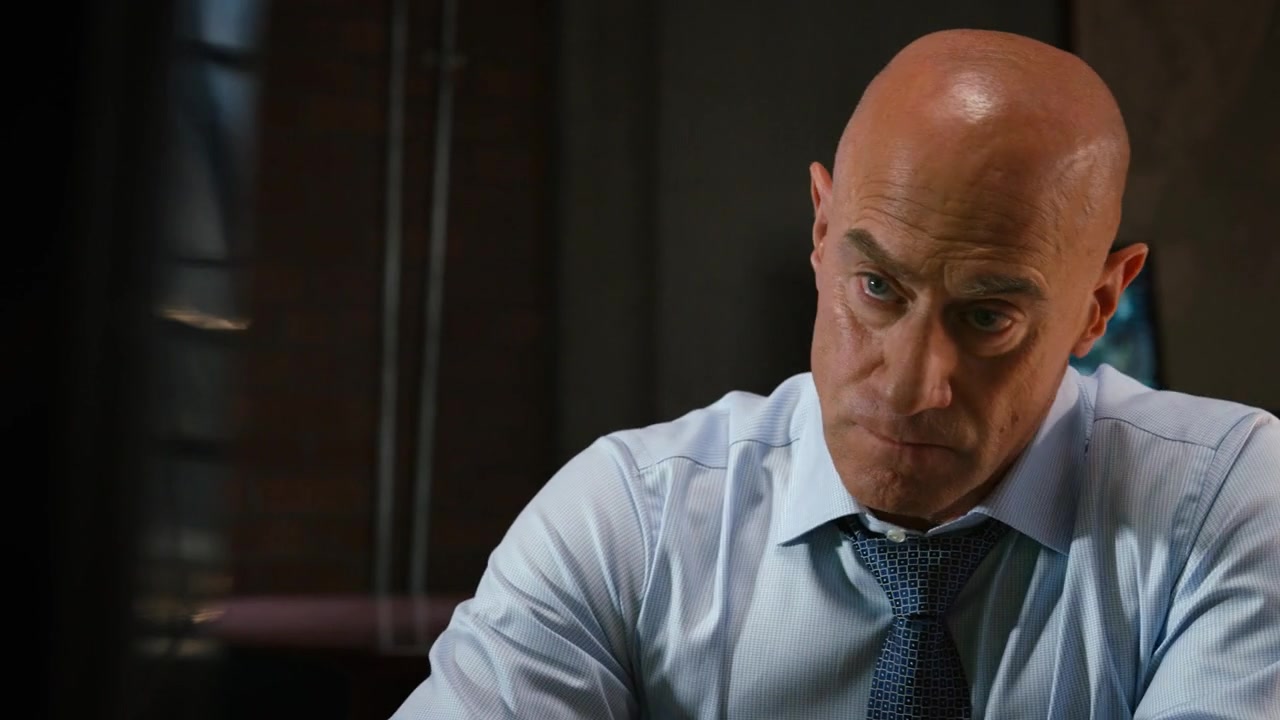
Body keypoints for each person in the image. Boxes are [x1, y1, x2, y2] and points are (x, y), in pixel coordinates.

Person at [391, 28, 1280, 719]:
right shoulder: (630, 524)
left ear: (1100, 303)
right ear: (822, 232)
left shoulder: (1222, 505)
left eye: (987, 317)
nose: (909, 386)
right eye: (878, 288)